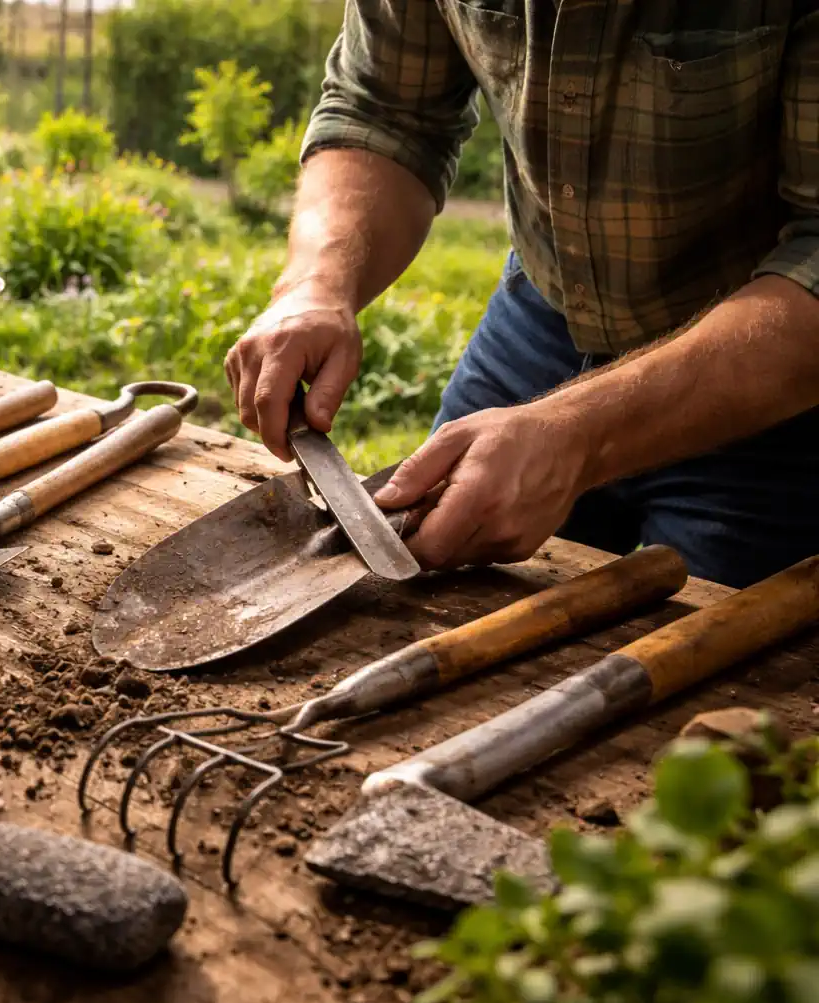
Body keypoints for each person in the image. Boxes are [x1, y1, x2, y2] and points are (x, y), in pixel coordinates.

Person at [224, 3, 819, 589]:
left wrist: (580, 433)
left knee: (722, 670)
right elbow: (383, 113)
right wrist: (317, 282)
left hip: (769, 372)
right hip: (541, 319)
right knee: (429, 596)